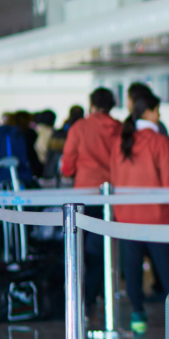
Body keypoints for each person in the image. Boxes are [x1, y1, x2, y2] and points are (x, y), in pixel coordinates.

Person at [110, 89, 169, 334]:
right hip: (157, 219)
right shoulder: (160, 142)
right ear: (150, 112)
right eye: (158, 111)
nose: (159, 115)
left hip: (126, 219)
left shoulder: (121, 142)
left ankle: (137, 316)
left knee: (132, 270)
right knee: (167, 272)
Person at [62, 88, 122, 316]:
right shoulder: (118, 128)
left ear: (92, 104)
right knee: (100, 250)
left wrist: (70, 172)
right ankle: (92, 298)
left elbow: (68, 163)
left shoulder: (79, 127)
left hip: (82, 195)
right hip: (109, 195)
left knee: (76, 249)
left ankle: (76, 299)